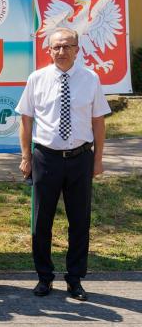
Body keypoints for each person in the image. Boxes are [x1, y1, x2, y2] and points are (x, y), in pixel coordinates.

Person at [16, 27, 110, 301]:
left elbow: (98, 121)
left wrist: (98, 159)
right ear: (49, 50)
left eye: (67, 46)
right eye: (56, 46)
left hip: (81, 159)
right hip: (46, 158)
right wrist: (26, 157)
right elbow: (26, 119)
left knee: (79, 221)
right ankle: (44, 277)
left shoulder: (90, 79)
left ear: (77, 50)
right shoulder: (37, 79)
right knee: (41, 222)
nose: (61, 51)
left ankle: (75, 279)